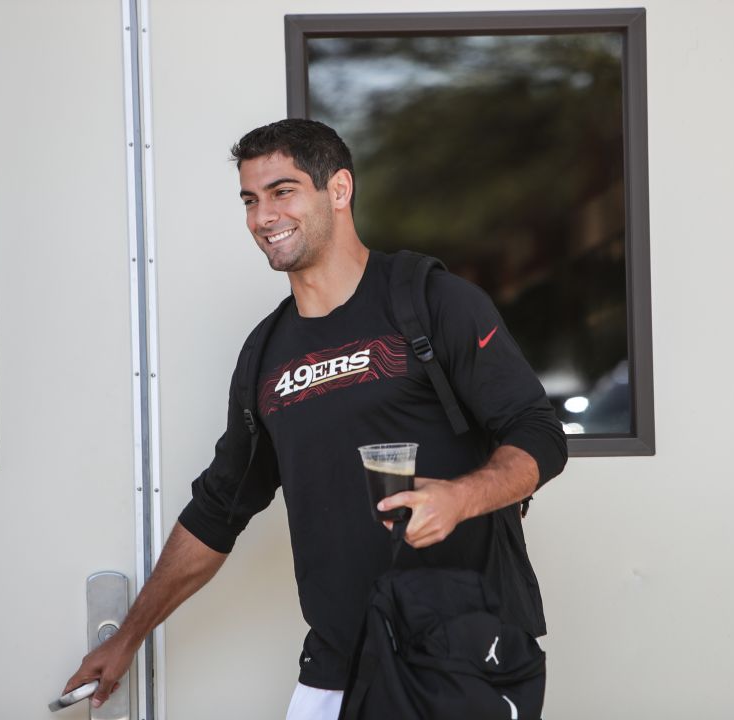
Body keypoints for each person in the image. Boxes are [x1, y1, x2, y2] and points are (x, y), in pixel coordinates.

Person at [61, 119, 567, 719]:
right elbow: (219, 508)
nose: (262, 216)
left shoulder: (430, 302)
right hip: (337, 663)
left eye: (283, 191)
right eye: (250, 199)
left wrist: (461, 497)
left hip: (458, 652)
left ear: (339, 190)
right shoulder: (266, 356)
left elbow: (539, 432)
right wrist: (128, 635)